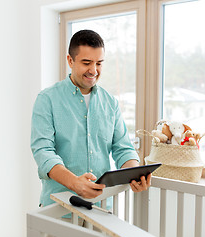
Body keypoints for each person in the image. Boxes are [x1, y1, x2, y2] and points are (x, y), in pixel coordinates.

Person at [31, 29, 151, 209]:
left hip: (101, 208)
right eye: (86, 62)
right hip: (58, 209)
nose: (93, 70)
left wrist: (134, 173)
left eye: (99, 63)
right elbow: (43, 151)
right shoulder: (47, 99)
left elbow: (122, 148)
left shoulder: (110, 103)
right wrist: (74, 183)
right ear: (70, 61)